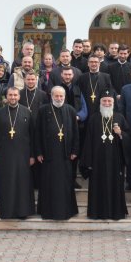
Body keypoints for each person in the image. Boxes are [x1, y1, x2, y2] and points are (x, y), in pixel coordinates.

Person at [80, 90, 130, 220]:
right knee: (98, 186)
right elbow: (88, 141)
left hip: (115, 160)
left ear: (113, 103)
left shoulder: (119, 117)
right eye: (104, 101)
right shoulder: (94, 118)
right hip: (97, 161)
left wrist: (120, 134)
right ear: (100, 103)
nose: (107, 103)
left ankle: (116, 213)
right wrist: (88, 163)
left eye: (109, 101)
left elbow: (128, 137)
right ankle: (97, 213)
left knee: (115, 185)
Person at [0, 87, 35, 219]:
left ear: (19, 96)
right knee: (6, 183)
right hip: (5, 155)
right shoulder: (0, 113)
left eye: (15, 95)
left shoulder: (27, 112)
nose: (13, 97)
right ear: (7, 96)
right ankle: (7, 212)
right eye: (10, 95)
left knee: (22, 184)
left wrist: (32, 155)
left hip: (23, 154)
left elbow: (32, 135)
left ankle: (23, 212)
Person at [36, 86, 79, 220]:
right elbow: (37, 132)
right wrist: (38, 152)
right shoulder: (43, 110)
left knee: (65, 183)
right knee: (49, 183)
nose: (59, 98)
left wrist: (74, 150)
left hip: (65, 154)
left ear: (64, 97)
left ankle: (67, 211)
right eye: (56, 96)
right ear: (51, 96)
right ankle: (48, 211)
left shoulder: (70, 110)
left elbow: (76, 133)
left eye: (61, 96)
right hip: (49, 154)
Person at [77, 55, 112, 120]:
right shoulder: (82, 77)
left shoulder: (106, 77)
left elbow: (109, 92)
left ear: (99, 64)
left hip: (100, 108)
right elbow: (79, 94)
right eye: (91, 62)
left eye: (96, 62)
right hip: (86, 108)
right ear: (88, 64)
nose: (93, 64)